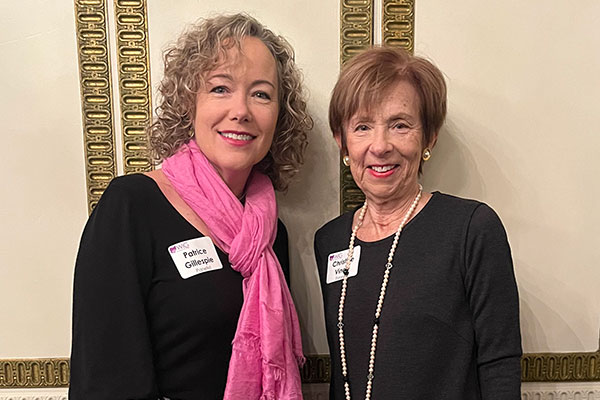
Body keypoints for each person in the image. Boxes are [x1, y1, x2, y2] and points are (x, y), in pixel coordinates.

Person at [70, 13, 312, 400]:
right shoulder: (132, 207)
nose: (241, 110)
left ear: (279, 116)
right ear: (189, 101)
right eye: (220, 88)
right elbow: (104, 377)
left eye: (261, 94)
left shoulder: (269, 233)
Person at [314, 46, 522, 399]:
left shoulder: (471, 228)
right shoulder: (330, 241)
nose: (380, 146)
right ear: (343, 142)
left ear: (429, 137)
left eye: (400, 125)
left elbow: (500, 363)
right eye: (362, 126)